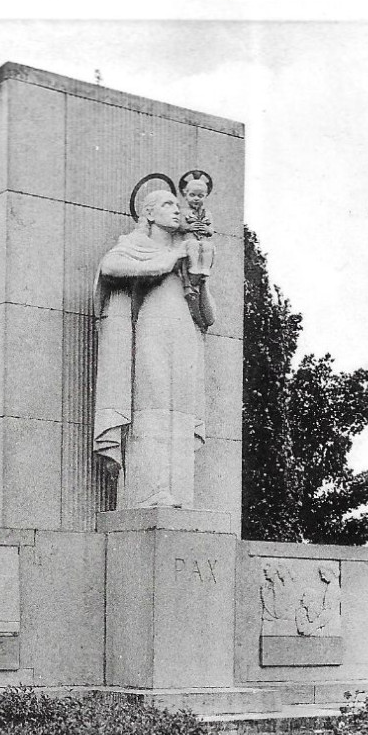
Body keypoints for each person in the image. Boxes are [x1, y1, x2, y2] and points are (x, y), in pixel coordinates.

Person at [93, 189, 215, 509]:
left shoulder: (184, 252)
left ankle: (178, 493)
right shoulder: (137, 245)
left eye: (177, 204)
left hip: (185, 333)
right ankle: (148, 490)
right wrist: (170, 260)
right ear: (149, 213)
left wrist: (200, 279)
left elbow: (208, 317)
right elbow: (110, 267)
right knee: (152, 405)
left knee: (180, 412)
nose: (176, 210)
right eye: (167, 204)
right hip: (152, 330)